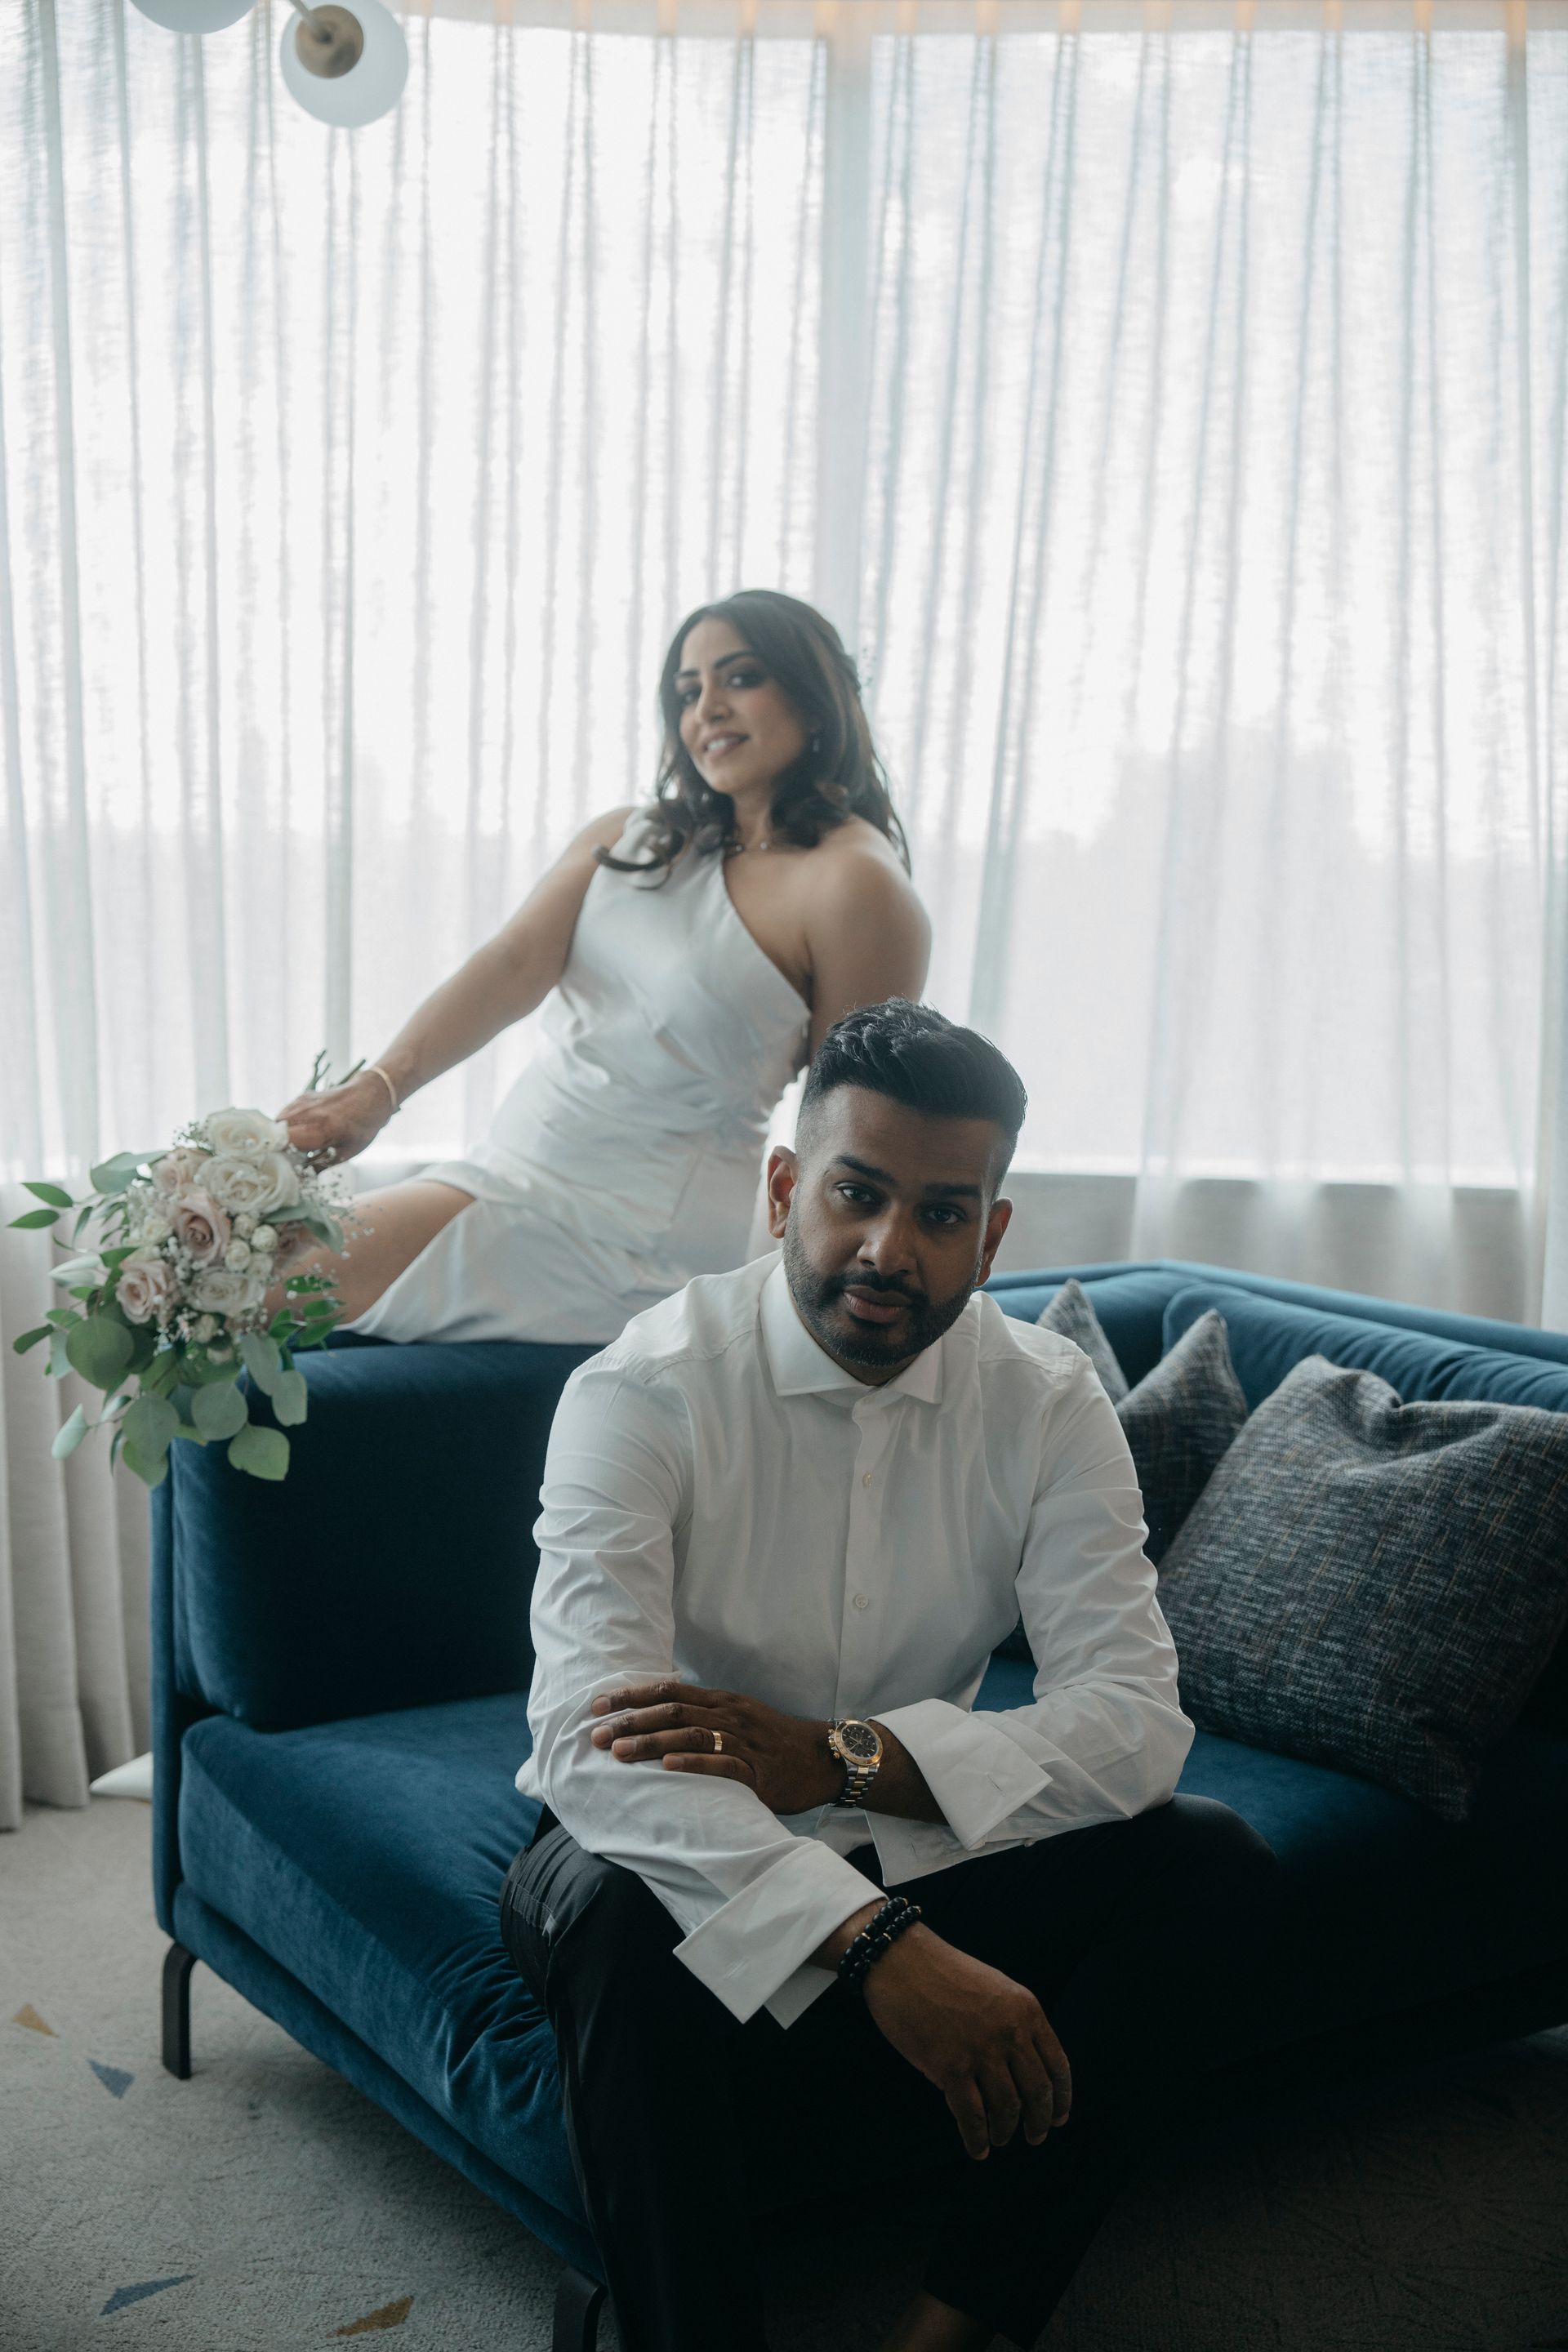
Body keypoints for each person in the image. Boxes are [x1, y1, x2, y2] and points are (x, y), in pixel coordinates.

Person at [499, 1000, 1281, 2352]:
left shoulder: (1046, 1402)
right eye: (858, 1195)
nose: (888, 1250)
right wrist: (872, 1944)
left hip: (912, 1831)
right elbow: (589, 1744)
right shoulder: (641, 1390)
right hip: (668, 1859)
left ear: (992, 1234)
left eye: (939, 1214)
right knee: (620, 1923)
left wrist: (845, 1758)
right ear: (787, 1187)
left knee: (1214, 1867)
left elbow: (1137, 1731)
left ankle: (954, 2330)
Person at [272, 590, 929, 1343]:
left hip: (630, 1236)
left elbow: (850, 1124)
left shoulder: (858, 885)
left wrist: (808, 1320)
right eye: (688, 691)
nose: (707, 708)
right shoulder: (635, 837)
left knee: (249, 1283)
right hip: (510, 1168)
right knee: (219, 1269)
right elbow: (512, 963)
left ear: (817, 701)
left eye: (740, 678)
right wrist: (375, 1092)